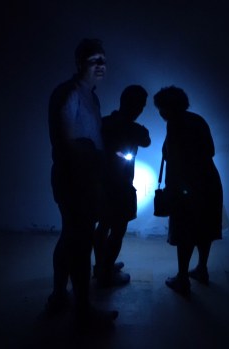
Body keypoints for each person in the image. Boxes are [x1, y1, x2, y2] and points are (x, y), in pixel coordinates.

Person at [46, 38, 117, 325]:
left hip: (86, 178)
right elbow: (63, 141)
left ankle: (60, 296)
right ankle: (82, 309)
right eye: (94, 60)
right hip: (74, 178)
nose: (101, 65)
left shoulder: (91, 95)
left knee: (71, 238)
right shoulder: (69, 93)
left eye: (103, 59)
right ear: (79, 63)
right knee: (79, 241)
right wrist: (89, 152)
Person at [153, 86, 223, 297]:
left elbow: (173, 160)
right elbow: (210, 150)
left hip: (186, 187)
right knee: (204, 228)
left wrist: (174, 188)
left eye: (161, 108)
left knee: (185, 232)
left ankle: (182, 278)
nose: (160, 113)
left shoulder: (175, 125)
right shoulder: (197, 119)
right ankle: (202, 269)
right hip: (209, 182)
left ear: (167, 108)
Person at [93, 85, 151, 288]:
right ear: (132, 104)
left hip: (102, 183)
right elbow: (146, 141)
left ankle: (101, 266)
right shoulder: (134, 129)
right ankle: (106, 272)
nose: (141, 110)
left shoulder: (104, 123)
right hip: (121, 187)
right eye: (140, 105)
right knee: (117, 230)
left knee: (103, 226)